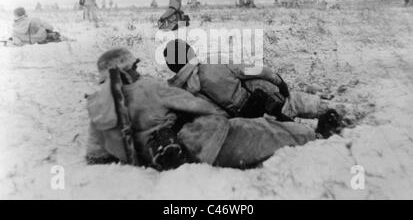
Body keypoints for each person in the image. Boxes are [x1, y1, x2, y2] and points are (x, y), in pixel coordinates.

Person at [85, 48, 322, 170]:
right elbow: (202, 109)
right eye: (135, 66)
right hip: (206, 143)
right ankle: (317, 134)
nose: (138, 70)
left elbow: (95, 156)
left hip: (162, 154)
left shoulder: (99, 106)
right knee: (272, 130)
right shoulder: (152, 87)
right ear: (127, 68)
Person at [164, 39, 344, 128]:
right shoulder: (213, 62)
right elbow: (251, 70)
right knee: (289, 100)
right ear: (190, 52)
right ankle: (326, 111)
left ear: (173, 67)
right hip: (256, 105)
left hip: (237, 125)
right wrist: (277, 80)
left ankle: (309, 126)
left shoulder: (177, 92)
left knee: (280, 124)